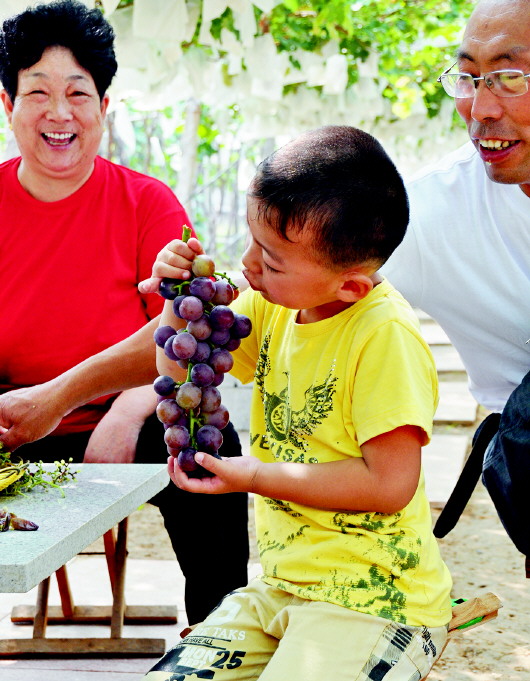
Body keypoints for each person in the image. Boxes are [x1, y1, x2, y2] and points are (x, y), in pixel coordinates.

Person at [139, 125, 452, 681]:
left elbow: (388, 484)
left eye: (273, 260)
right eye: (253, 240)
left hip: (375, 603)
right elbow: (177, 370)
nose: (250, 266)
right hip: (282, 589)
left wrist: (255, 475)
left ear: (349, 287)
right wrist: (178, 301)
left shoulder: (384, 338)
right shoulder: (279, 304)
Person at [0, 0, 248, 626]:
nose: (60, 114)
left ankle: (220, 636)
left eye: (79, 94)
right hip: (11, 423)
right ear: (8, 106)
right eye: (38, 93)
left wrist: (127, 406)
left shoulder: (146, 202)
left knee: (203, 445)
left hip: (126, 416)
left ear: (104, 109)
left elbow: (184, 328)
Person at [382, 0, 530, 417]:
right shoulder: (429, 211)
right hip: (514, 458)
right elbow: (303, 279)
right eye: (469, 78)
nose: (480, 109)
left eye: (510, 78)